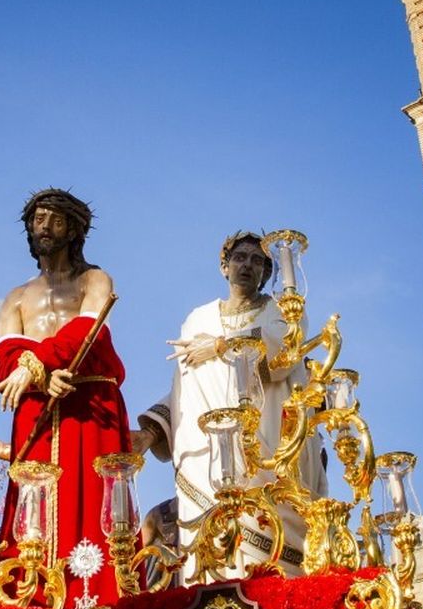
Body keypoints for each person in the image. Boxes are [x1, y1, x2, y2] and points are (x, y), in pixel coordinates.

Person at [0, 189, 129, 605]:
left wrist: (35, 366)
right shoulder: (18, 296)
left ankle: (98, 599)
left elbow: (89, 333)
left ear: (73, 230)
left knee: (97, 500)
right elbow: (2, 357)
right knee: (29, 506)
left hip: (90, 404)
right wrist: (38, 377)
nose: (44, 228)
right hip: (37, 404)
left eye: (55, 220)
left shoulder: (94, 279)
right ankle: (28, 598)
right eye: (38, 220)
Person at [133, 231, 327, 579]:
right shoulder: (198, 320)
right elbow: (184, 389)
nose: (247, 266)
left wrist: (221, 346)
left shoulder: (280, 311)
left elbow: (282, 357)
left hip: (267, 451)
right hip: (207, 455)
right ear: (224, 267)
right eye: (240, 258)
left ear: (268, 274)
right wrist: (150, 433)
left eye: (257, 261)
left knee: (272, 546)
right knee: (210, 550)